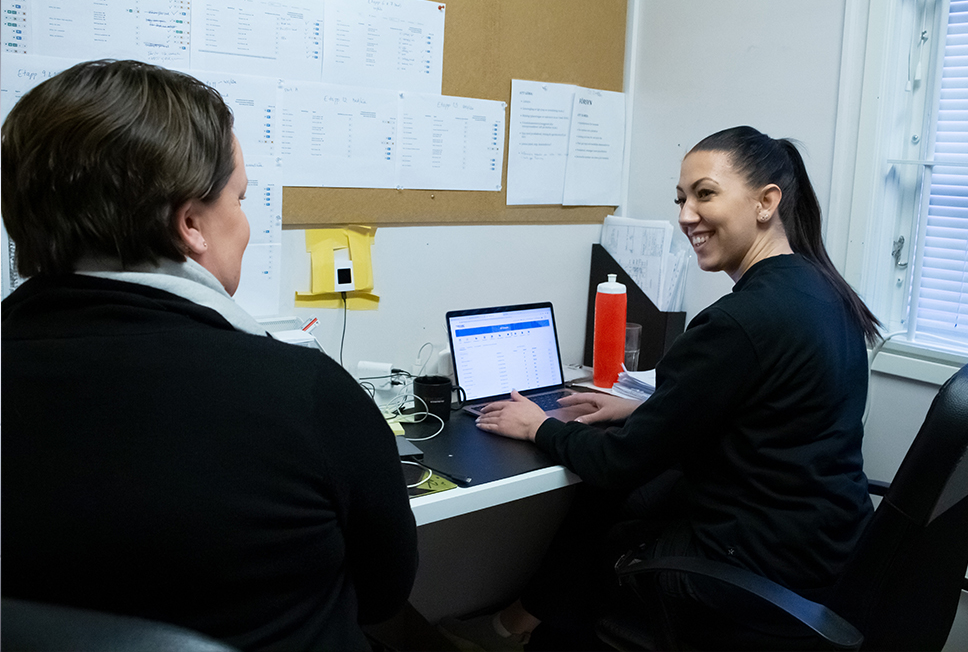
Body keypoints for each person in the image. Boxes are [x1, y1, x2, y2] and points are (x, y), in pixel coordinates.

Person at [1, 59, 417, 652]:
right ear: (192, 224)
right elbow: (383, 596)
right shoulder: (304, 396)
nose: (244, 224)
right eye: (240, 199)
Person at [440, 126, 881, 651]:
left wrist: (540, 426)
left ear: (766, 202)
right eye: (682, 199)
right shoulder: (822, 291)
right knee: (629, 493)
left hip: (758, 564)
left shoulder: (738, 323)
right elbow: (767, 412)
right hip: (826, 544)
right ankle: (521, 619)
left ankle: (527, 627)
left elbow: (618, 462)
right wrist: (646, 407)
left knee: (612, 496)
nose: (686, 215)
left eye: (705, 194)